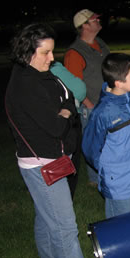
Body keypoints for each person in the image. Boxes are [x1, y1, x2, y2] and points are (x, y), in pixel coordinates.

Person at [5, 23, 116, 258]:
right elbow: (56, 126)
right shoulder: (25, 86)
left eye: (52, 52)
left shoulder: (36, 73)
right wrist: (67, 111)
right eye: (46, 53)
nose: (51, 58)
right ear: (27, 52)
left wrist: (65, 108)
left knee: (46, 217)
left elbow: (68, 95)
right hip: (43, 164)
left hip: (50, 158)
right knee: (65, 227)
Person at [82, 53, 130, 219]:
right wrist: (113, 173)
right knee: (123, 233)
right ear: (119, 83)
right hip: (120, 187)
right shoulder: (104, 113)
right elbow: (90, 149)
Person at [64, 9, 110, 185]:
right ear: (84, 26)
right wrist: (89, 105)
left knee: (109, 141)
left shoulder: (101, 44)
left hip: (107, 102)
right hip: (90, 106)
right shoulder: (74, 53)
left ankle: (108, 172)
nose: (98, 19)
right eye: (94, 19)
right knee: (94, 143)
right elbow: (74, 86)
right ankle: (94, 179)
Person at [50, 61, 86, 198]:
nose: (52, 57)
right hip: (61, 127)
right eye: (46, 52)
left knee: (68, 166)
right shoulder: (53, 70)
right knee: (65, 167)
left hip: (61, 124)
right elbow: (80, 89)